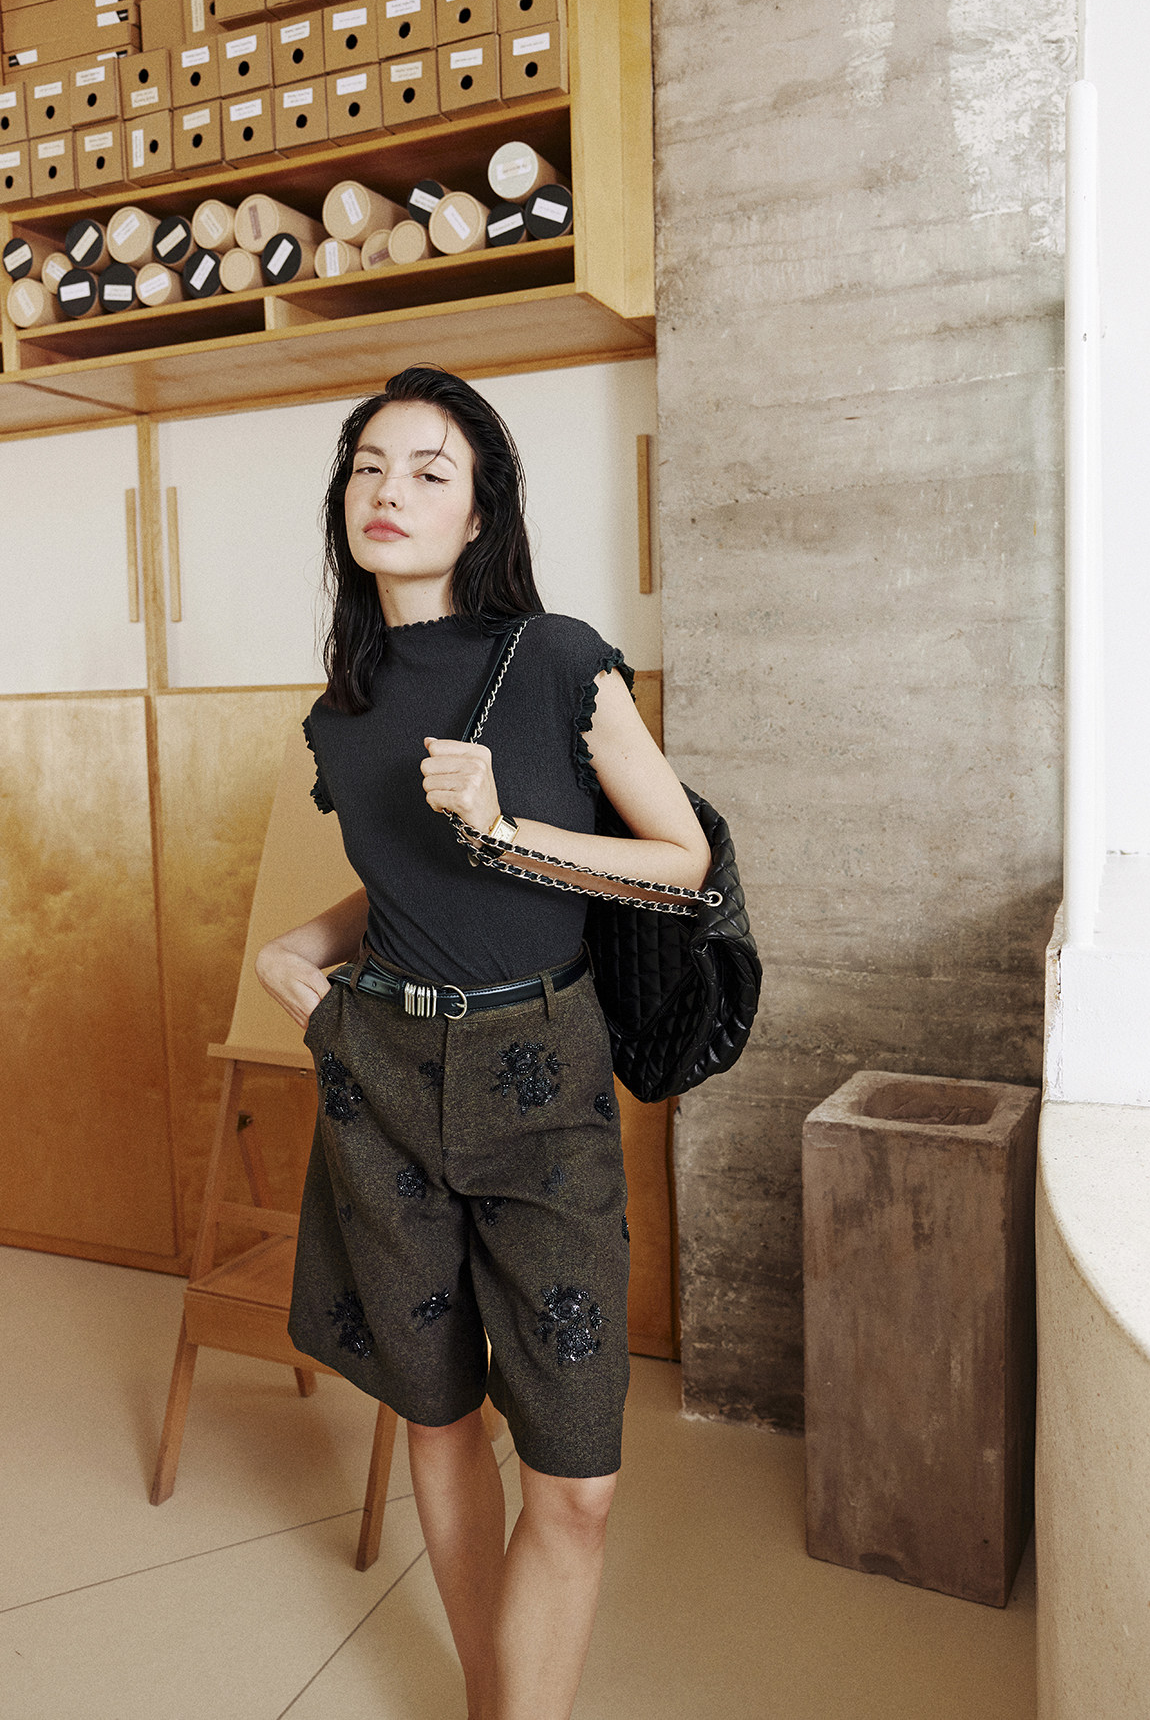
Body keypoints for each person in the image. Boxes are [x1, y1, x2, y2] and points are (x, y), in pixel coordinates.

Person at [255, 364, 709, 1720]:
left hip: (540, 1074)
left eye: (428, 470)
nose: (388, 492)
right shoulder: (345, 704)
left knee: (576, 1482)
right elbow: (403, 885)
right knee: (439, 1421)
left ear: (480, 511)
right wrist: (300, 951)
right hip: (381, 1073)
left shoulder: (558, 658)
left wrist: (506, 828)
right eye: (368, 467)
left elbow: (679, 861)